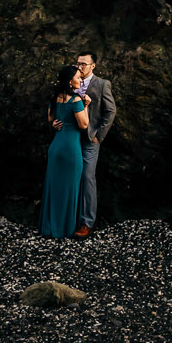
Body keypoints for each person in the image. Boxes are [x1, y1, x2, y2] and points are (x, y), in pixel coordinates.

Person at [58, 50, 116, 238]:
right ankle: (69, 218)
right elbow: (61, 105)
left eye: (84, 64)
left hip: (90, 139)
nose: (80, 67)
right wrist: (56, 122)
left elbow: (110, 111)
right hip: (70, 136)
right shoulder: (71, 81)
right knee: (70, 176)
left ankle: (87, 222)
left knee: (87, 177)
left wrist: (99, 135)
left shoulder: (102, 84)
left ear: (93, 66)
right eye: (78, 64)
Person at [39, 64, 88, 239]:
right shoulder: (76, 100)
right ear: (70, 81)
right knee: (70, 189)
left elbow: (50, 119)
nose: (80, 80)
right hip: (70, 149)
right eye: (78, 78)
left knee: (54, 188)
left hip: (56, 146)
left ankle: (50, 227)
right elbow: (84, 125)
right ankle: (65, 229)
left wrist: (54, 124)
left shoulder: (55, 97)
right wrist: (86, 105)